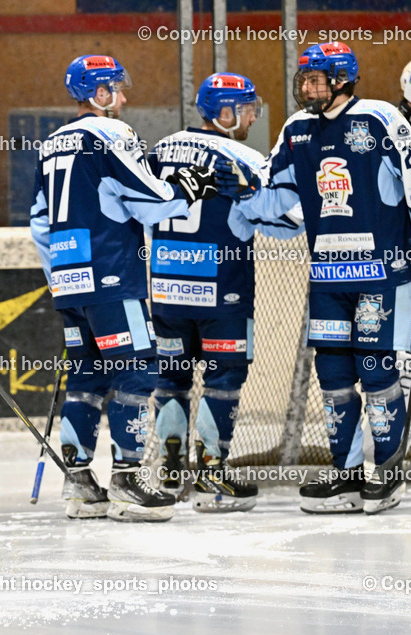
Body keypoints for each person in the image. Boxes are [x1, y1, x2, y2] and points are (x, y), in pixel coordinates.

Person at [229, 42, 411, 514]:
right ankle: (346, 474)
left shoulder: (379, 120)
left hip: (382, 275)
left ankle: (386, 474)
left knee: (376, 372)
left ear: (343, 80)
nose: (307, 88)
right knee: (332, 376)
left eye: (317, 79)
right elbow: (273, 193)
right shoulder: (297, 130)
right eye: (304, 79)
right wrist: (234, 194)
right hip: (328, 278)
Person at [29, 54, 220, 522]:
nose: (124, 96)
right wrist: (186, 188)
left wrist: (62, 276)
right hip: (114, 276)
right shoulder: (113, 134)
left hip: (71, 281)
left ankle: (78, 483)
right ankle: (129, 479)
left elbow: (38, 222)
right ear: (98, 92)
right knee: (135, 371)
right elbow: (150, 202)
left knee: (86, 380)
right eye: (116, 87)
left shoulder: (51, 144)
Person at [148, 73, 301, 512]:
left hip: (166, 291)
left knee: (170, 378)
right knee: (223, 379)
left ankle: (171, 474)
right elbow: (289, 220)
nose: (254, 115)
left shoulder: (160, 149)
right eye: (247, 108)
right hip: (221, 294)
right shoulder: (242, 155)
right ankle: (212, 477)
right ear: (226, 113)